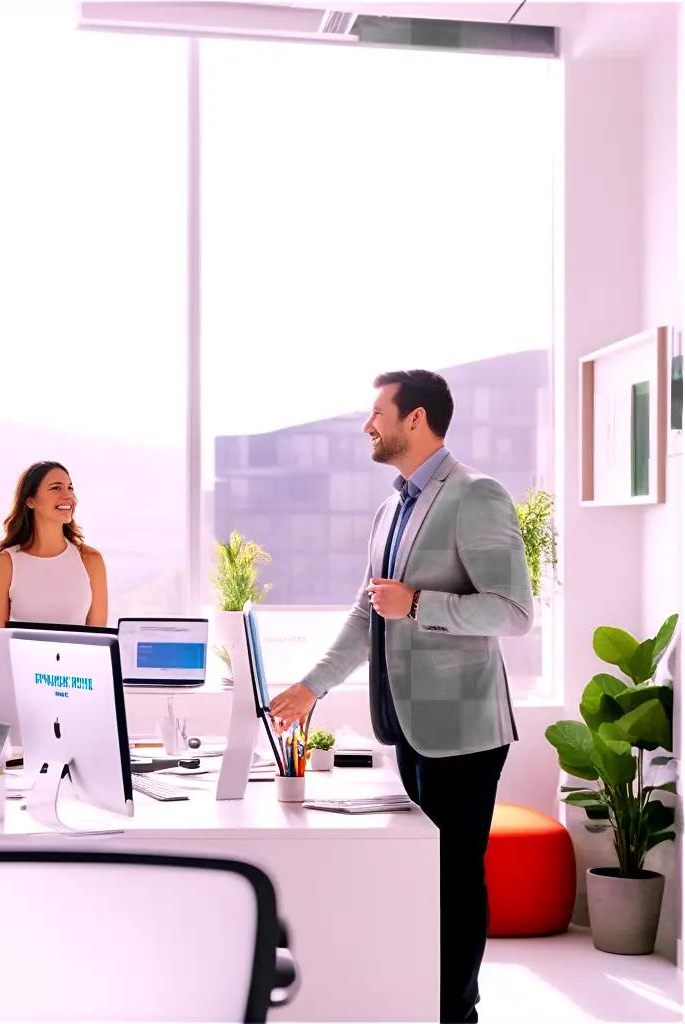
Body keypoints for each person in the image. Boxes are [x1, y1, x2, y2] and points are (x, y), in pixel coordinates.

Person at [269, 370, 532, 1024]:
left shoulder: (475, 495)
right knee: (421, 879)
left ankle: (456, 1013)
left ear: (415, 419)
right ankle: (420, 1002)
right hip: (405, 725)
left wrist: (419, 604)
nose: (368, 425)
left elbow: (512, 612)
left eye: (378, 413)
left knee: (453, 879)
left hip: (465, 729)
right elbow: (369, 616)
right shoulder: (392, 507)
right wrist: (310, 688)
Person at [0, 461, 107, 627]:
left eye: (70, 488)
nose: (68, 496)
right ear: (30, 501)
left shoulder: (90, 560)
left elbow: (98, 643)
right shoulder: (4, 565)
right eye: (56, 488)